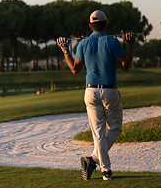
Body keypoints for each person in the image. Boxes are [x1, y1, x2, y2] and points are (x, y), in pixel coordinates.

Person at [57, 10, 135, 181]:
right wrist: (130, 44)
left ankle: (93, 160)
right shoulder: (113, 41)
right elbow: (126, 66)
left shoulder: (83, 44)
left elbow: (74, 70)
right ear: (106, 24)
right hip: (110, 90)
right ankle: (104, 169)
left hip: (90, 91)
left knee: (98, 134)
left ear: (90, 26)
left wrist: (65, 50)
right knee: (115, 129)